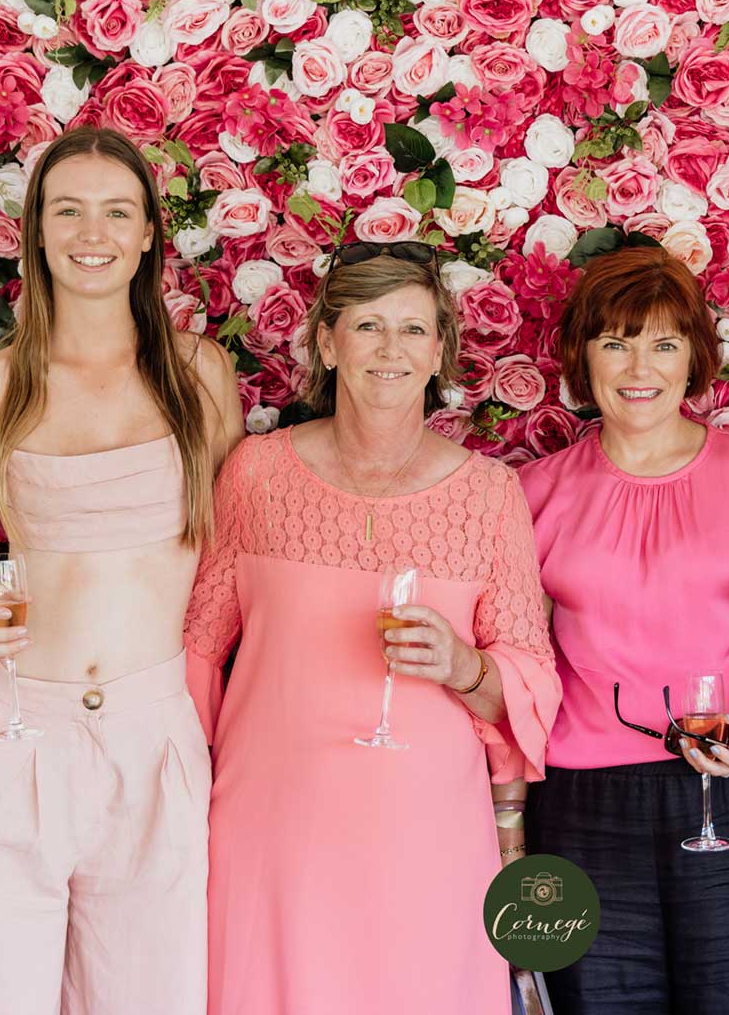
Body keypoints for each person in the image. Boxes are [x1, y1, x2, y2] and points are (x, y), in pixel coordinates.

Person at [0, 126, 243, 1015]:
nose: (92, 232)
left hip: (156, 733)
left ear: (145, 238)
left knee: (150, 997)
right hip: (12, 727)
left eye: (116, 212)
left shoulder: (201, 377)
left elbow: (235, 566)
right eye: (69, 211)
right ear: (39, 233)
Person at [182, 241, 561, 1015]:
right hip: (271, 836)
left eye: (414, 330)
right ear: (327, 342)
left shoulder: (489, 494)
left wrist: (464, 666)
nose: (391, 349)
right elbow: (196, 648)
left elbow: (532, 679)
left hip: (426, 845)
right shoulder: (256, 471)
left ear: (440, 352)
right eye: (368, 326)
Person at [517, 246, 729, 1014]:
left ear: (693, 356)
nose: (639, 366)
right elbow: (514, 659)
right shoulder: (532, 495)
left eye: (663, 342)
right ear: (581, 354)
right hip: (582, 815)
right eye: (615, 340)